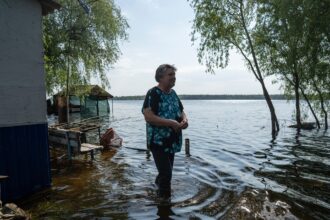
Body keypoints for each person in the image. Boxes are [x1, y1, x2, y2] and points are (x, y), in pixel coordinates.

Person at [142, 64, 188, 200]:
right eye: (170, 75)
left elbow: (181, 112)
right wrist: (171, 123)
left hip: (171, 141)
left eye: (174, 75)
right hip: (158, 141)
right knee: (167, 174)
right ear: (160, 77)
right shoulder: (153, 93)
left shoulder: (173, 94)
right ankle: (164, 204)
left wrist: (184, 120)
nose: (174, 78)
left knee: (166, 173)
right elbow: (148, 116)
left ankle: (156, 189)